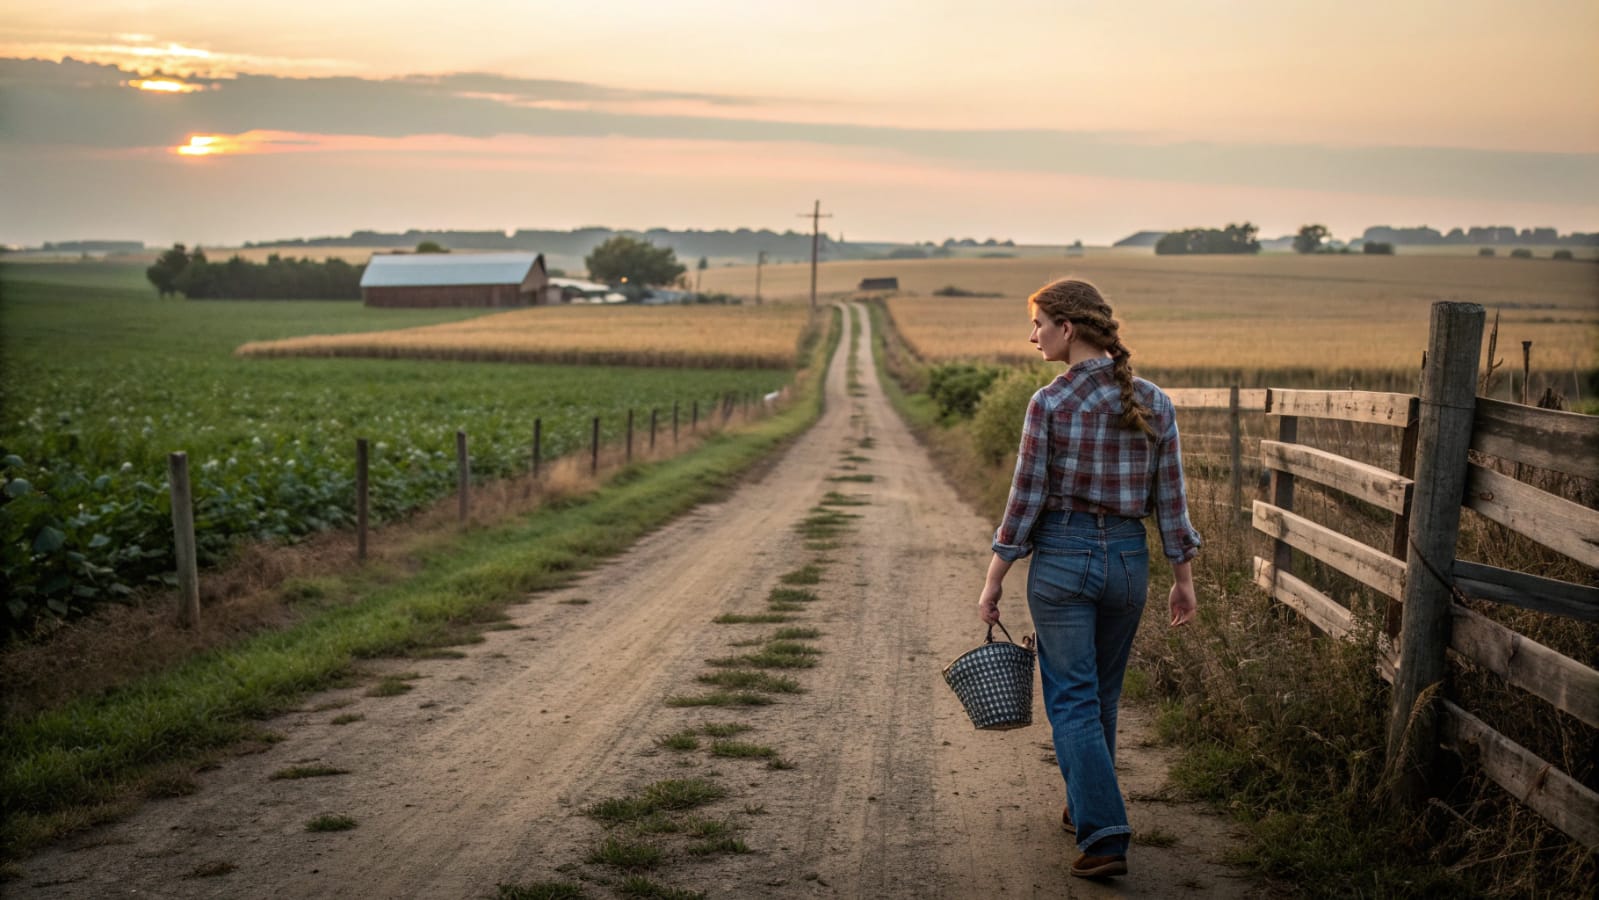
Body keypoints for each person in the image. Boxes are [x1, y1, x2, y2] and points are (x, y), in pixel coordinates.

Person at [976, 277, 1200, 880]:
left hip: (1063, 558)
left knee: (1072, 698)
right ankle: (1084, 806)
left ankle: (1104, 836)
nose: (1033, 336)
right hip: (1129, 560)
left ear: (1067, 328)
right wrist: (1183, 578)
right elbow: (1171, 502)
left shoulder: (1049, 403)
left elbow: (1025, 499)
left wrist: (995, 576)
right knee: (1100, 694)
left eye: (1039, 324)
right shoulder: (1154, 400)